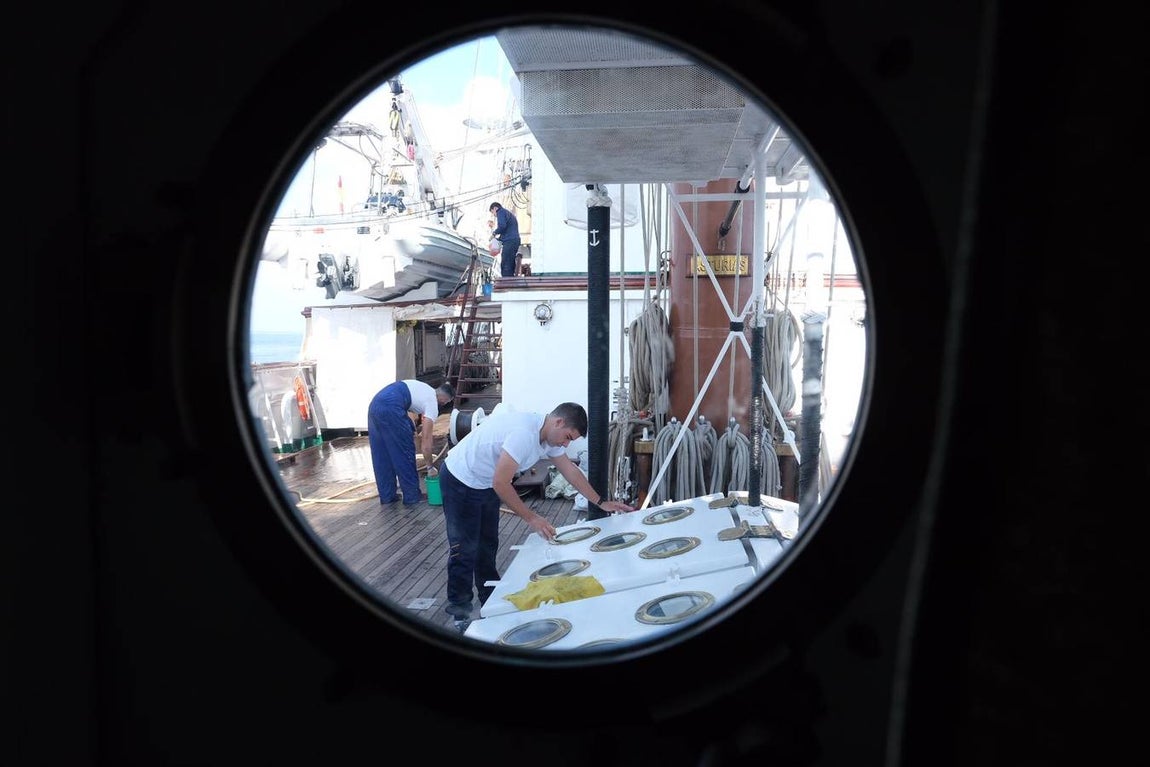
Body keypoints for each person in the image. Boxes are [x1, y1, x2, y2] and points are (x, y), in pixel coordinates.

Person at [438, 401, 634, 630]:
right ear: (558, 422)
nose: (566, 443)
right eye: (568, 437)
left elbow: (570, 471)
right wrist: (531, 517)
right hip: (460, 478)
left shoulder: (549, 437)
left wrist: (601, 502)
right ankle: (460, 613)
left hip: (485, 482)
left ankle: (490, 601)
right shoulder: (523, 433)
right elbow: (501, 483)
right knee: (464, 549)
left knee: (487, 545)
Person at [367, 379, 455, 506]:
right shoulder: (432, 402)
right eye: (446, 402)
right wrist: (430, 467)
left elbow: (407, 405)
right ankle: (412, 495)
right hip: (392, 406)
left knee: (382, 454)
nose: (444, 404)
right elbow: (426, 440)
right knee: (404, 451)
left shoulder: (424, 387)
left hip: (376, 403)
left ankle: (387, 496)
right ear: (445, 398)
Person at [488, 201, 521, 278]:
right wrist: (498, 240)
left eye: (493, 212)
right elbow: (506, 230)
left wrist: (494, 234)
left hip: (510, 241)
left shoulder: (501, 212)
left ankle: (507, 281)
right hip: (514, 240)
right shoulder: (508, 213)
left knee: (506, 263)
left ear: (495, 208)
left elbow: (502, 226)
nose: (494, 215)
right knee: (510, 262)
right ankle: (511, 280)